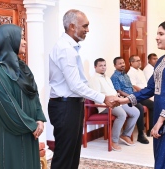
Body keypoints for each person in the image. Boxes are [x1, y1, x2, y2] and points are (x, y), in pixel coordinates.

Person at [115, 20, 165, 169]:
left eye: (161, 34)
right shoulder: (160, 61)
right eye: (157, 34)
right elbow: (149, 89)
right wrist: (124, 100)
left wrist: (160, 121)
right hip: (160, 112)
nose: (156, 37)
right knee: (161, 158)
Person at [48, 9, 118, 169]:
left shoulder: (70, 47)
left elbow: (78, 83)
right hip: (65, 107)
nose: (87, 30)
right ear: (72, 26)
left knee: (72, 154)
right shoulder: (65, 49)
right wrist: (103, 98)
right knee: (64, 157)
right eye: (85, 26)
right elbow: (75, 85)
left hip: (71, 105)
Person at [0, 24, 46, 169]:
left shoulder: (22, 67)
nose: (24, 41)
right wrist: (31, 125)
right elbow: (7, 106)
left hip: (30, 133)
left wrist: (39, 119)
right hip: (10, 135)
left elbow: (34, 94)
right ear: (9, 40)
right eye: (20, 37)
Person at [89, 58, 140, 151]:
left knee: (136, 112)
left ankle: (125, 135)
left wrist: (118, 97)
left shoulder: (107, 77)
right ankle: (114, 141)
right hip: (105, 104)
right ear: (95, 67)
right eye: (100, 66)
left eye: (104, 65)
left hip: (116, 101)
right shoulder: (94, 79)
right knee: (122, 114)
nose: (103, 67)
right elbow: (96, 95)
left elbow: (113, 91)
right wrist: (111, 99)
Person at [111, 57, 149, 144]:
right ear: (115, 65)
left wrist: (136, 94)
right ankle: (141, 134)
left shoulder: (125, 75)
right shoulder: (115, 77)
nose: (122, 65)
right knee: (139, 108)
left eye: (123, 62)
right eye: (120, 63)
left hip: (132, 96)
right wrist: (130, 97)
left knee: (148, 103)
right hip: (125, 99)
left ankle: (145, 131)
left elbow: (131, 87)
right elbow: (118, 91)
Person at [127, 55, 154, 135]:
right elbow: (134, 86)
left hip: (145, 93)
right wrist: (145, 93)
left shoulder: (140, 71)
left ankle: (155, 126)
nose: (140, 62)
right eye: (137, 61)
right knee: (153, 105)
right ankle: (150, 130)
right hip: (139, 95)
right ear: (132, 63)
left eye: (140, 60)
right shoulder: (130, 73)